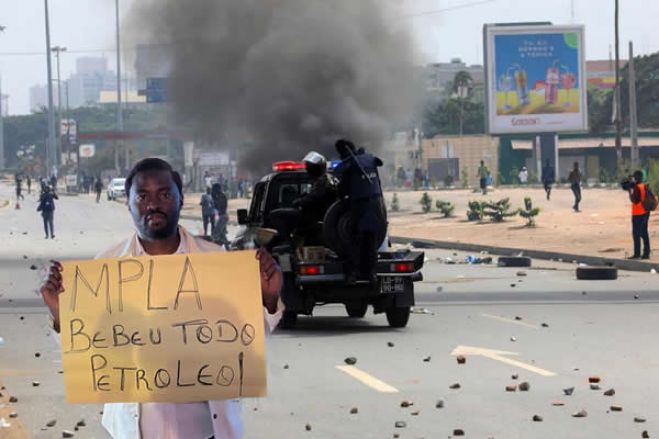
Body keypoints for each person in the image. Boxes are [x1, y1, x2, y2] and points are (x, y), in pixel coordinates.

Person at [39, 158, 283, 438]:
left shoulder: (217, 261)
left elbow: (246, 340)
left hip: (208, 432)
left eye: (165, 194)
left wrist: (269, 299)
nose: (153, 204)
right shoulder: (104, 267)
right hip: (133, 431)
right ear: (127, 203)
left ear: (180, 199)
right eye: (142, 196)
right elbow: (87, 350)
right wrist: (61, 316)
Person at [334, 139, 386, 282]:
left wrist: (343, 200)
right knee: (371, 240)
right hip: (376, 205)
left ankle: (353, 274)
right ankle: (372, 274)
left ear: (341, 152)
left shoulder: (348, 165)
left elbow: (342, 189)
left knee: (354, 239)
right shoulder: (369, 159)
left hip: (359, 206)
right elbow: (378, 181)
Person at [295, 151, 337, 235]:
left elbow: (316, 197)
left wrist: (301, 201)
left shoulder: (323, 180)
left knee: (277, 215)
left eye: (309, 167)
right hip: (321, 217)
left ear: (316, 168)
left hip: (319, 217)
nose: (307, 169)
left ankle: (290, 242)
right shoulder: (323, 179)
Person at [628, 170, 651, 259]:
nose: (633, 179)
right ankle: (646, 253)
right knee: (644, 233)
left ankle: (637, 254)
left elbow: (634, 200)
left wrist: (629, 192)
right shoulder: (644, 186)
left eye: (634, 177)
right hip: (645, 212)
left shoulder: (637, 187)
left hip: (638, 213)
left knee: (636, 234)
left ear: (638, 177)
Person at [211, 182, 229, 247]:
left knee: (215, 234)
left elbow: (220, 207)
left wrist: (214, 199)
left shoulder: (221, 196)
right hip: (222, 216)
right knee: (222, 235)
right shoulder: (219, 196)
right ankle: (227, 248)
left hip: (223, 217)